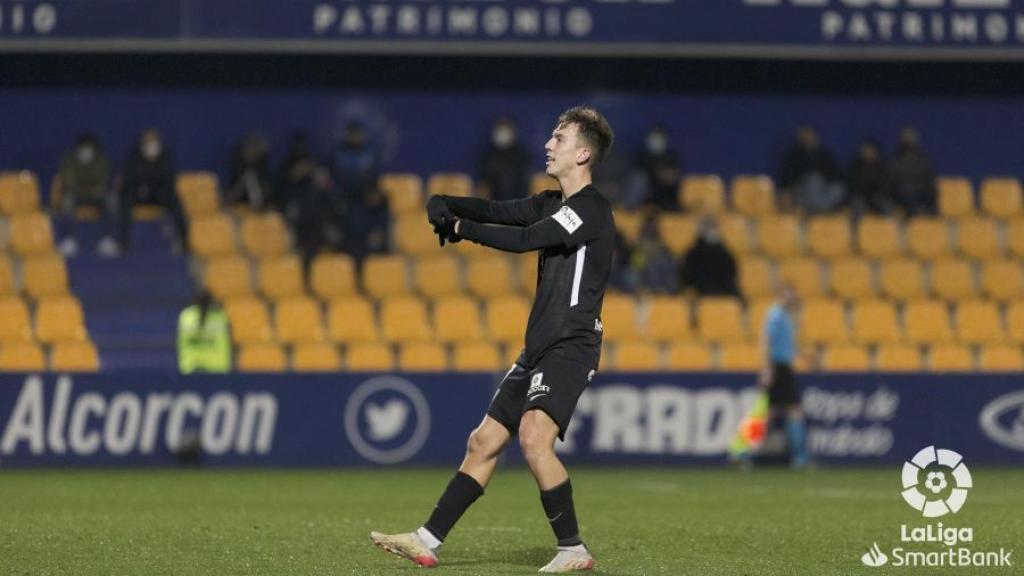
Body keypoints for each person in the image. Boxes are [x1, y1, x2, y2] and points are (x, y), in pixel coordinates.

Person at [371, 106, 615, 573]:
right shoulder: (551, 202)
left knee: (533, 437)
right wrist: (446, 202)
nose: (548, 144)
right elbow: (499, 211)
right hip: (539, 345)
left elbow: (527, 239)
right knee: (483, 442)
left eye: (559, 138)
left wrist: (459, 229)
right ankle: (424, 540)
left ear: (583, 154)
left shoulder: (591, 209)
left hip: (572, 343)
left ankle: (573, 549)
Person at [114, 129, 188, 256]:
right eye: (149, 142)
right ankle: (123, 244)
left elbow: (170, 177)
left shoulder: (164, 155)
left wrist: (150, 176)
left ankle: (183, 241)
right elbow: (129, 178)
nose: (151, 145)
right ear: (143, 143)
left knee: (175, 201)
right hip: (139, 194)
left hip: (159, 194)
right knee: (125, 201)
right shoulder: (134, 156)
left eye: (154, 141)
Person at [759, 284, 809, 469]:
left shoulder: (786, 317)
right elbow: (766, 341)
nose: (791, 298)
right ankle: (799, 457)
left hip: (785, 367)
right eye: (788, 294)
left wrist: (804, 355)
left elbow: (788, 344)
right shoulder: (776, 315)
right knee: (783, 411)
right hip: (777, 367)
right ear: (780, 295)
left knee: (778, 411)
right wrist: (766, 369)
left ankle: (745, 453)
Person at [333, 121, 388, 262]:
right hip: (346, 208)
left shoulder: (369, 155)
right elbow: (335, 183)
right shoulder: (339, 155)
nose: (356, 137)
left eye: (358, 134)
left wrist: (378, 229)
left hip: (366, 209)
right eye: (353, 134)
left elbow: (375, 183)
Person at [55, 133, 110, 257]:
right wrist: (88, 189)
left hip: (95, 196)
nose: (86, 151)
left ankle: (108, 239)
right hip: (76, 195)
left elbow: (103, 181)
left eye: (89, 148)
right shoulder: (69, 160)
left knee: (111, 201)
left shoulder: (100, 160)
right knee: (66, 200)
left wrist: (92, 190)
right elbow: (68, 182)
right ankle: (69, 239)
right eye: (84, 148)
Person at [778, 125, 844, 214]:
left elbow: (833, 174)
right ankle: (819, 210)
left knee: (838, 188)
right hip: (802, 192)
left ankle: (817, 210)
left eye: (810, 136)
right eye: (805, 136)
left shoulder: (825, 154)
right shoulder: (795, 156)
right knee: (814, 179)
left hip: (822, 191)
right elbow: (788, 178)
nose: (808, 139)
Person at [680, 216, 739, 297]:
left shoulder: (724, 251)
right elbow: (689, 276)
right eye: (710, 228)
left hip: (724, 286)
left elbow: (731, 270)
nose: (714, 231)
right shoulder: (693, 253)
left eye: (714, 228)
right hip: (703, 288)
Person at [177, 290, 232, 374]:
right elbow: (229, 341)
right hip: (216, 369)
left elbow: (181, 342)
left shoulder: (186, 316)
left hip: (191, 368)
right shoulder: (220, 317)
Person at [476, 116, 529, 201]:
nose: (503, 134)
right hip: (494, 203)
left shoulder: (521, 156)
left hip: (518, 202)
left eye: (506, 131)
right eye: (501, 130)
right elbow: (483, 184)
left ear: (513, 133)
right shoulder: (489, 156)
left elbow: (526, 182)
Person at [633, 124, 682, 210]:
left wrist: (669, 175)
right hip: (645, 197)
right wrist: (658, 174)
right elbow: (639, 174)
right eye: (654, 137)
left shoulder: (671, 157)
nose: (656, 140)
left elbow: (675, 174)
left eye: (659, 137)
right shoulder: (641, 156)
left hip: (667, 198)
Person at [889, 127, 936, 216]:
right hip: (901, 196)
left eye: (910, 137)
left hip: (920, 195)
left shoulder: (924, 161)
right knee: (906, 194)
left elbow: (929, 183)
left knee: (931, 197)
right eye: (906, 137)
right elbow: (890, 183)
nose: (908, 140)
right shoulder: (894, 161)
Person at [845, 138, 894, 217]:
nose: (868, 153)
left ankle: (895, 228)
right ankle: (853, 229)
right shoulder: (855, 165)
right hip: (860, 197)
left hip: (877, 197)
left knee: (887, 205)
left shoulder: (881, 166)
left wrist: (876, 191)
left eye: (871, 150)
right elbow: (852, 185)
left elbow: (885, 185)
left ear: (876, 152)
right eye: (866, 150)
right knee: (856, 205)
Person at [630, 216, 677, 294]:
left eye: (653, 225)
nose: (651, 228)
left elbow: (664, 254)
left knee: (669, 264)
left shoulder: (660, 241)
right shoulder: (639, 240)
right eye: (649, 225)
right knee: (652, 266)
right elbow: (636, 260)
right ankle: (654, 291)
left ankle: (669, 292)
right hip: (643, 265)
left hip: (658, 265)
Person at [227, 131, 273, 210]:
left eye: (255, 149)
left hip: (260, 209)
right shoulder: (238, 165)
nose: (251, 152)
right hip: (239, 206)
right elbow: (233, 192)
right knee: (249, 177)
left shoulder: (262, 168)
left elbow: (267, 191)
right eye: (249, 148)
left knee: (250, 177)